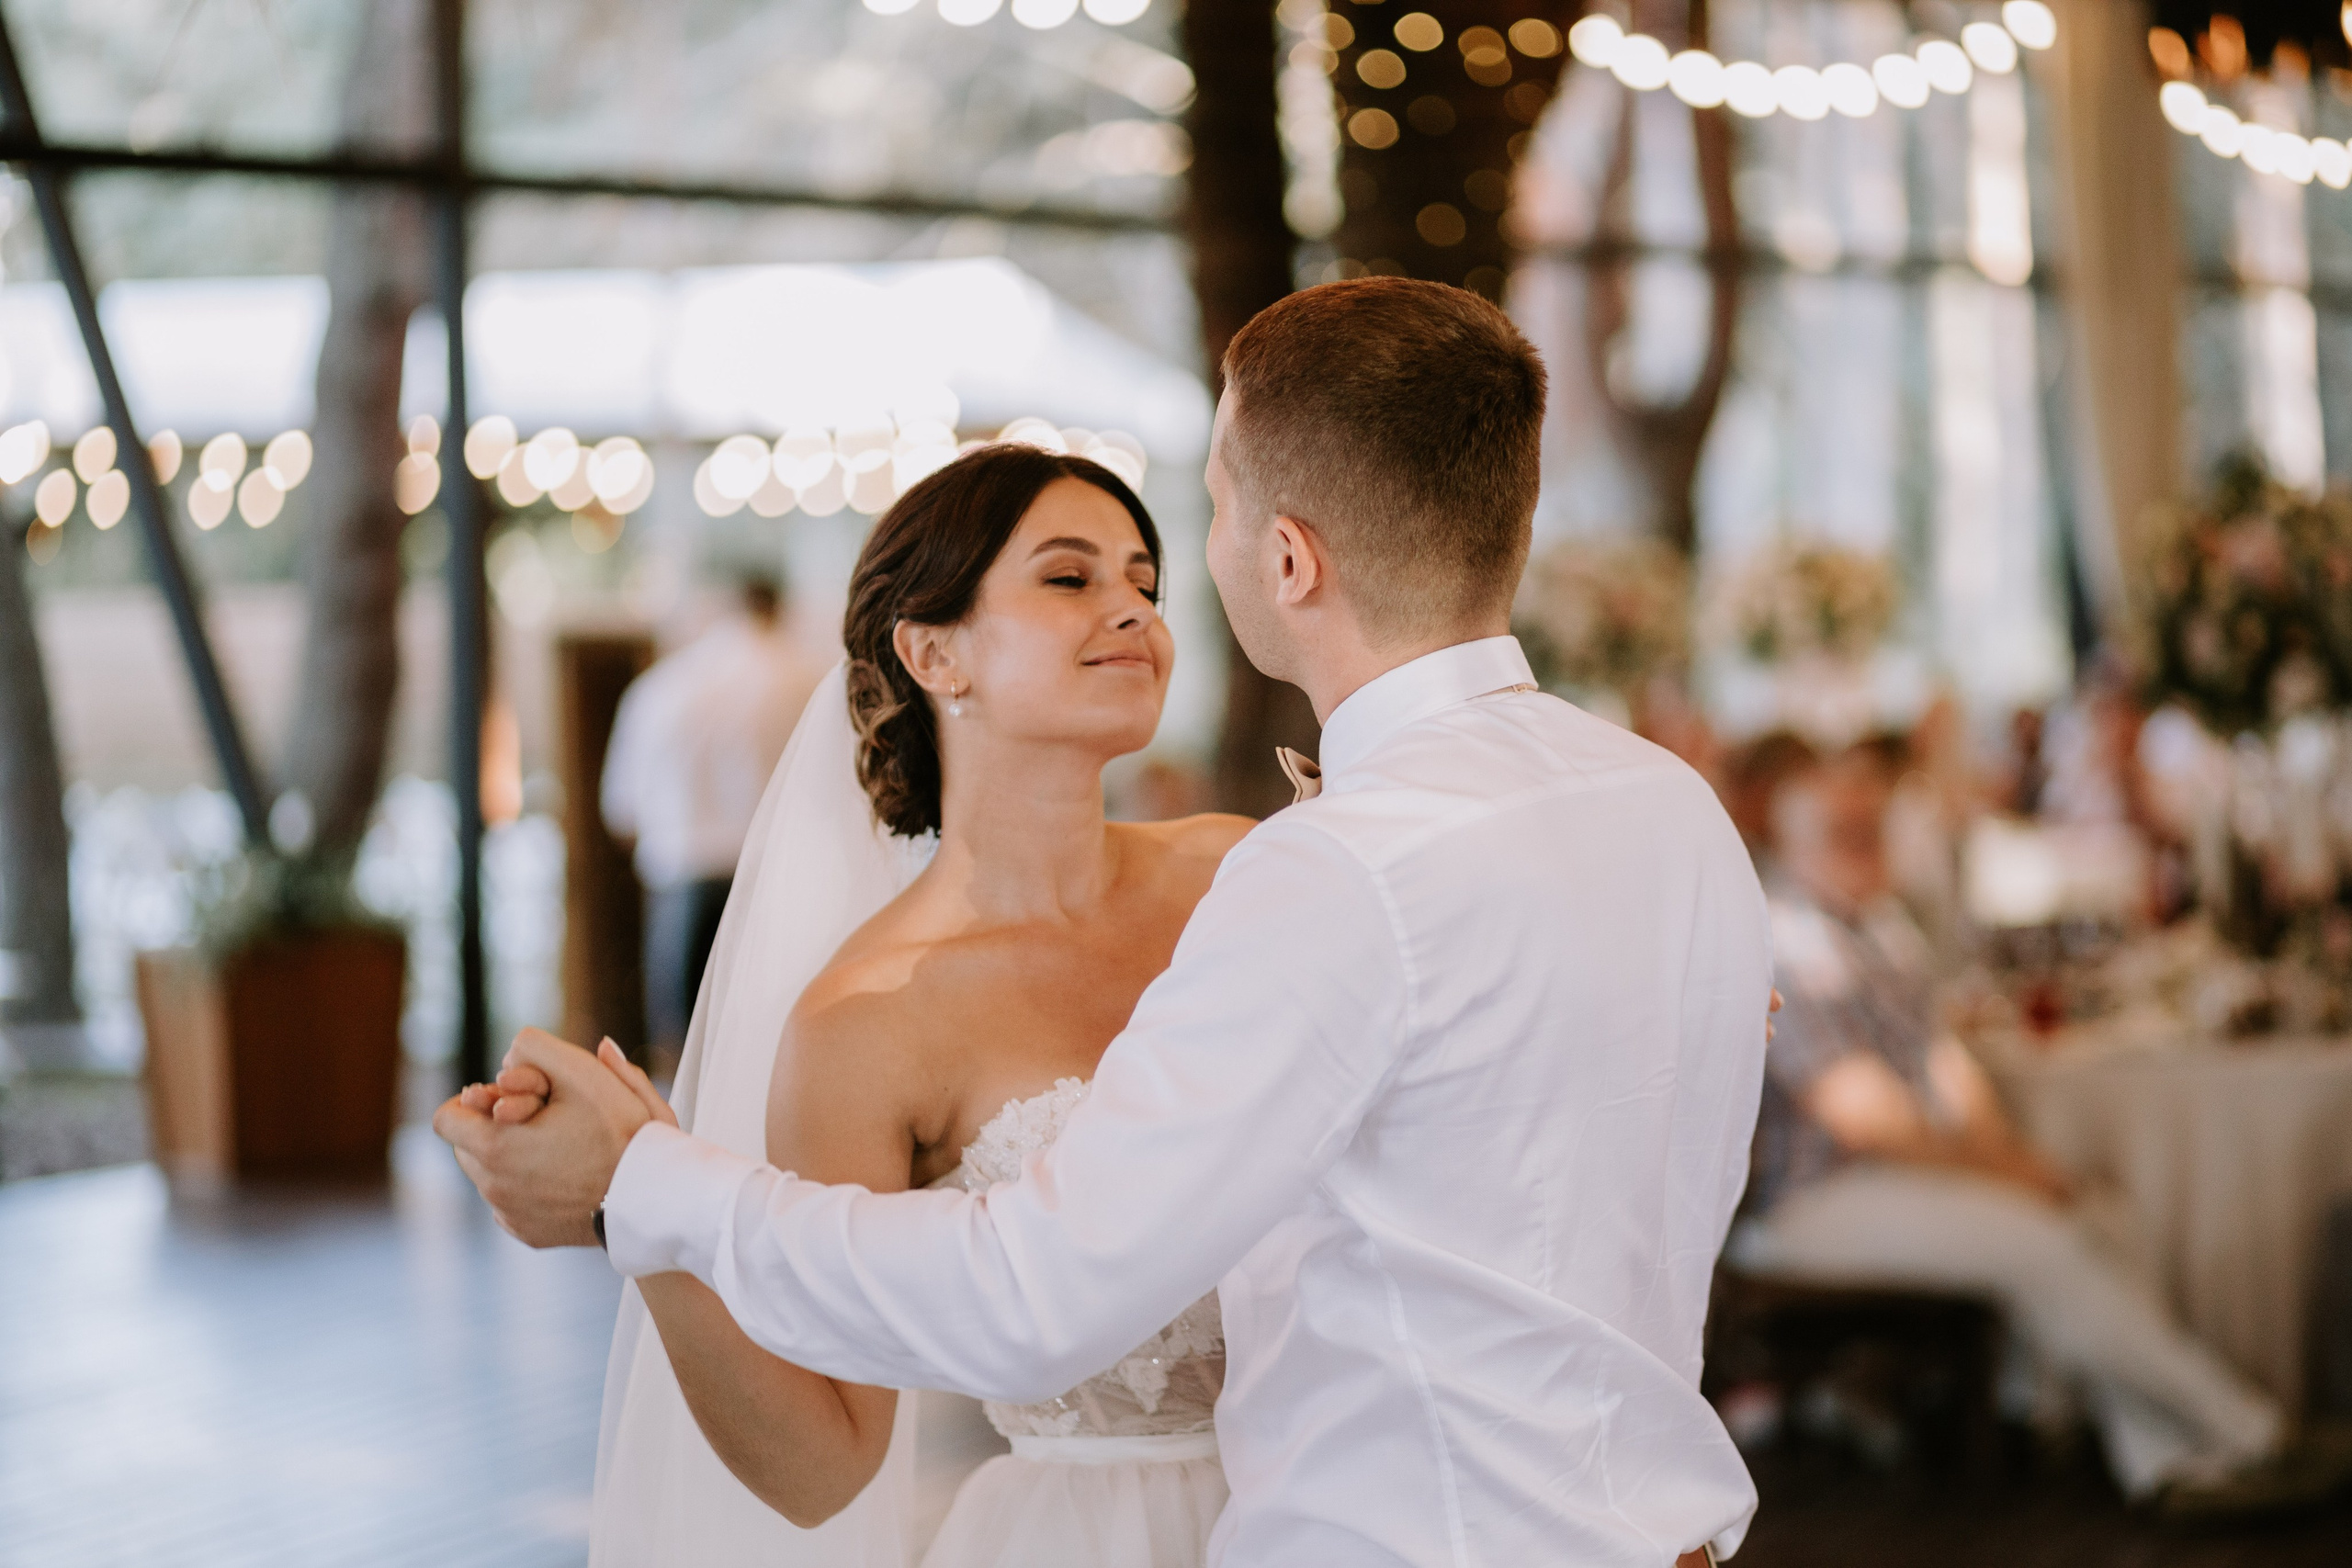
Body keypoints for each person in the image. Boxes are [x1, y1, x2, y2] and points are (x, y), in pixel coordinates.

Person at [440, 276, 1778, 1566]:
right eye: (1072, 578)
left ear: (1290, 556)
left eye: (1190, 523)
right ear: (933, 651)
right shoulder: (1669, 810)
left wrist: (646, 1187)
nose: (1145, 598)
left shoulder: (1320, 870)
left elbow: (1036, 1291)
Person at [1730, 740, 2323, 1517]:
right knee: (2049, 1240)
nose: (1862, 840)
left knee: (2105, 1212)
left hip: (1887, 1180)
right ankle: (2252, 1435)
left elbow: (1946, 1064)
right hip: (1807, 1205)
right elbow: (1868, 1120)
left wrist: (2013, 1159)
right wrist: (2008, 1175)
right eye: (1840, 829)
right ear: (1790, 838)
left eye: (1869, 823)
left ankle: (2173, 1464)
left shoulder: (1880, 924)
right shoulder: (1789, 937)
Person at [601, 573, 822, 1066]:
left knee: (683, 1043)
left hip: (683, 872)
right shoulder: (807, 680)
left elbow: (622, 809)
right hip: (773, 875)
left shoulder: (661, 688)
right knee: (770, 1041)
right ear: (779, 607)